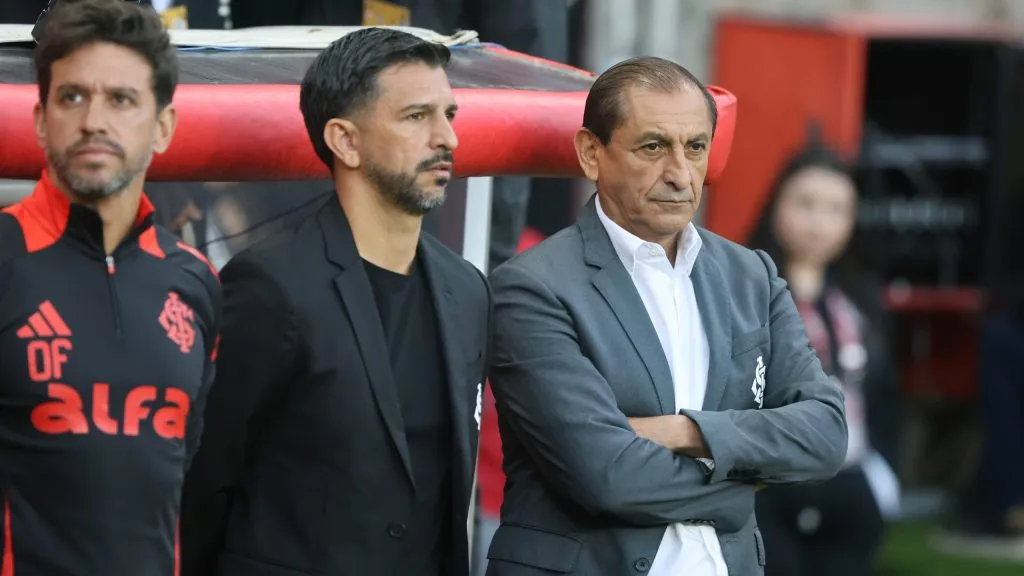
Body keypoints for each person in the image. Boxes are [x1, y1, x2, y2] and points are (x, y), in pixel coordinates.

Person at [485, 56, 848, 576]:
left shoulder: (751, 275)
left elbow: (826, 435)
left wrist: (686, 432)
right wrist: (741, 490)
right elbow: (606, 474)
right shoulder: (532, 286)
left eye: (695, 148)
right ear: (591, 153)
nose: (679, 174)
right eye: (653, 147)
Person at [179, 27, 491, 576]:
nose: (447, 139)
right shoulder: (270, 286)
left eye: (450, 114)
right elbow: (205, 481)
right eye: (416, 116)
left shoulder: (465, 290)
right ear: (346, 140)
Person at [0, 1, 221, 574]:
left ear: (163, 126)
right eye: (72, 96)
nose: (94, 119)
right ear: (42, 120)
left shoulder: (197, 281)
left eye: (121, 100)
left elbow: (187, 467)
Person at [747, 144, 902, 576]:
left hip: (850, 482)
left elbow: (885, 395)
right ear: (777, 205)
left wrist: (884, 476)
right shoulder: (745, 288)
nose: (819, 222)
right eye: (806, 204)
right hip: (770, 485)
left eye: (836, 209)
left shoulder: (860, 297)